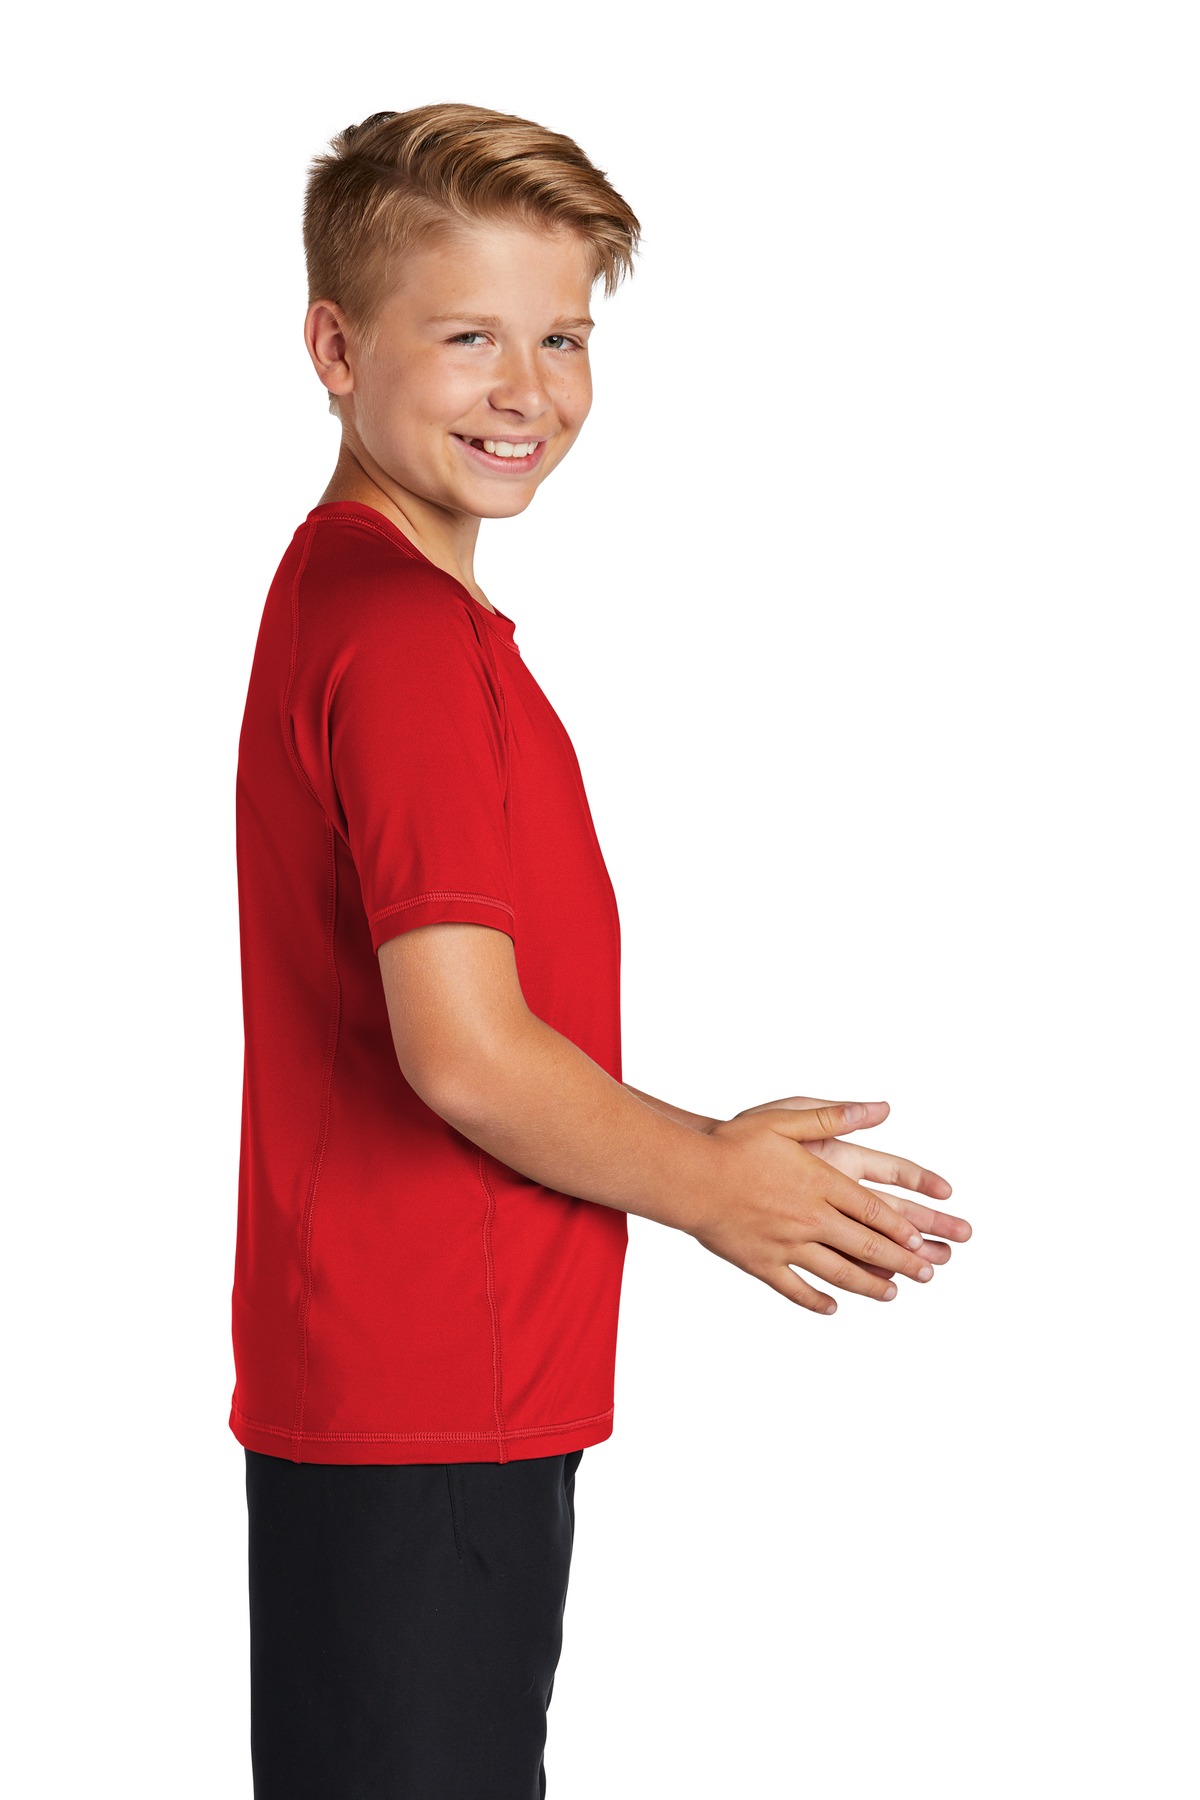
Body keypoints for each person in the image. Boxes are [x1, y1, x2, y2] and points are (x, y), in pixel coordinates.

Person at [229, 102, 972, 1800]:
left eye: (562, 337)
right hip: (432, 1385)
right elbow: (466, 1051)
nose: (527, 390)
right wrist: (712, 1182)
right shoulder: (404, 640)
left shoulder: (357, 599)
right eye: (467, 337)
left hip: (412, 1374)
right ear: (335, 350)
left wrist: (710, 1153)